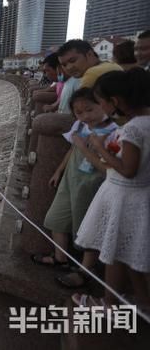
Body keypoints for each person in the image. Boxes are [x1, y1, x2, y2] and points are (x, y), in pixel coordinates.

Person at [73, 68, 150, 308]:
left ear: (114, 102)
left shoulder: (133, 129)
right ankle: (144, 301)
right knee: (129, 255)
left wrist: (99, 147)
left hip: (124, 197)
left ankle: (108, 303)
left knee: (115, 254)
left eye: (101, 102)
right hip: (138, 196)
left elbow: (128, 169)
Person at [32, 88, 117, 288]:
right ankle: (60, 257)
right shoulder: (81, 126)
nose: (85, 116)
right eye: (79, 112)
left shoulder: (114, 133)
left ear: (105, 105)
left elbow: (108, 170)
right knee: (56, 219)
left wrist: (85, 146)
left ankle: (86, 270)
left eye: (90, 109)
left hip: (92, 184)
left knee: (88, 228)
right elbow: (72, 150)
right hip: (71, 178)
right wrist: (58, 171)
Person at [57, 39, 121, 88]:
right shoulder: (110, 65)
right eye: (64, 65)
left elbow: (82, 105)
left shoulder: (92, 73)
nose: (69, 67)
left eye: (73, 60)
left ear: (89, 54)